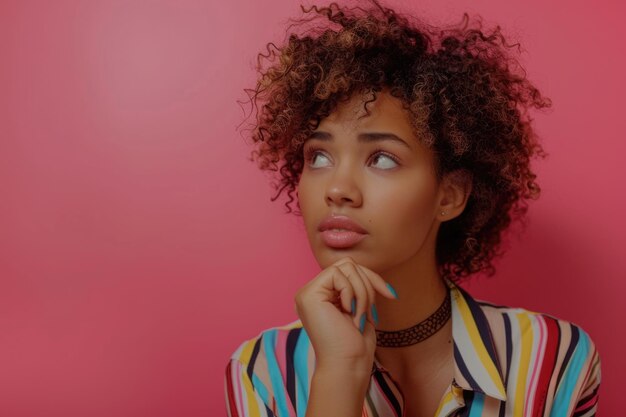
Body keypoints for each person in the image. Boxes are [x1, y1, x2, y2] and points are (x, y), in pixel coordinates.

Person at [223, 1, 602, 416]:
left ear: (450, 195)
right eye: (318, 156)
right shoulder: (260, 370)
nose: (337, 189)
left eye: (382, 158)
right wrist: (340, 372)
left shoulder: (554, 359)